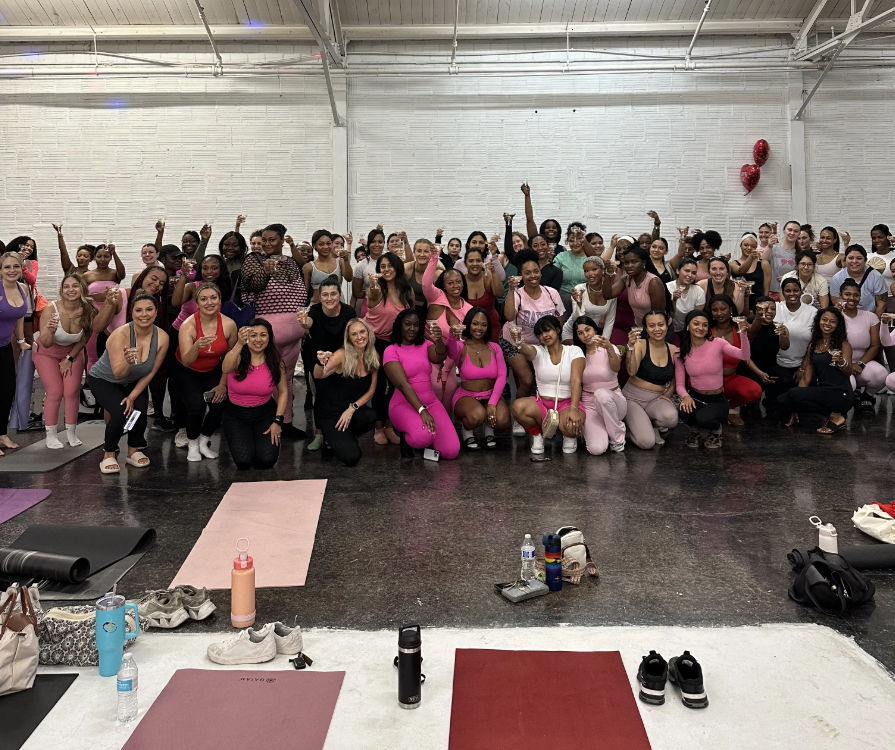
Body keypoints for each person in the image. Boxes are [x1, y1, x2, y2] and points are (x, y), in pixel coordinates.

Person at [240, 223, 309, 439]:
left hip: (293, 336)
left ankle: (284, 422)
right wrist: (266, 272)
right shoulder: (254, 260)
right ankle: (261, 424)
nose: (267, 244)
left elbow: (301, 293)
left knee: (286, 380)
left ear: (282, 241)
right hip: (264, 336)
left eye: (272, 240)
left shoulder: (290, 262)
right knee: (262, 379)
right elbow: (251, 286)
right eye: (264, 240)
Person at [87, 292, 169, 473]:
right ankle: (109, 453)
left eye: (149, 309)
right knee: (120, 414)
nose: (144, 314)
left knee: (138, 414)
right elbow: (118, 374)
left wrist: (132, 396)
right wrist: (128, 362)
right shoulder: (120, 335)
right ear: (131, 313)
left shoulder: (162, 337)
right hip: (104, 379)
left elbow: (151, 372)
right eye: (138, 310)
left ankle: (133, 450)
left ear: (156, 312)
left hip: (133, 381)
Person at [171, 283, 237, 462]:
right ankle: (192, 444)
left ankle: (203, 440)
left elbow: (229, 357)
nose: (209, 302)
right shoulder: (188, 325)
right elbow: (187, 360)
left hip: (212, 369)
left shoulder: (229, 324)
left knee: (220, 403)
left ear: (220, 300)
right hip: (186, 370)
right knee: (196, 406)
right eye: (204, 299)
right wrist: (197, 346)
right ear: (197, 303)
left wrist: (222, 384)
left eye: (213, 298)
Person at [383, 309, 460, 459]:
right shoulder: (391, 350)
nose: (412, 328)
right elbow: (403, 385)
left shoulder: (425, 344)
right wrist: (422, 410)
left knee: (451, 451)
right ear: (399, 325)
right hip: (404, 405)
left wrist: (438, 340)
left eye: (416, 325)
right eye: (407, 324)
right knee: (423, 437)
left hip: (431, 402)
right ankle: (409, 437)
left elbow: (439, 357)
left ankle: (429, 442)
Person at [33, 274, 96, 449]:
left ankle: (71, 432)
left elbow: (85, 337)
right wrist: (51, 331)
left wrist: (69, 358)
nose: (70, 290)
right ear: (61, 290)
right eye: (66, 287)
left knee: (71, 391)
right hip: (46, 353)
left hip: (72, 352)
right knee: (55, 391)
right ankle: (51, 434)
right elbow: (45, 342)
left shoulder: (89, 309)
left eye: (75, 286)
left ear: (82, 288)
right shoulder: (50, 309)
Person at [675, 309, 750, 449]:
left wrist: (743, 334)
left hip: (717, 399)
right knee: (683, 412)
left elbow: (744, 356)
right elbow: (679, 384)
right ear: (688, 326)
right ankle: (694, 430)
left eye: (705, 325)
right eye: (696, 324)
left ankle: (716, 430)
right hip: (695, 396)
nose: (700, 328)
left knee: (704, 418)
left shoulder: (718, 343)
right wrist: (685, 396)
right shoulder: (680, 352)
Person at [511, 315, 585, 455]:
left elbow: (576, 381)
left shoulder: (574, 351)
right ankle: (537, 435)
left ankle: (568, 434)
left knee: (571, 426)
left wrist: (574, 408)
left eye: (547, 330)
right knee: (518, 407)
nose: (544, 335)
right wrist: (519, 342)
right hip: (543, 405)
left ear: (557, 330)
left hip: (567, 403)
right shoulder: (538, 351)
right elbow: (527, 350)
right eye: (540, 334)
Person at [501, 250, 565, 411]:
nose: (532, 276)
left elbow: (559, 321)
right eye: (527, 273)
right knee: (527, 380)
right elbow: (509, 316)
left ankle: (538, 411)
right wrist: (510, 290)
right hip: (514, 341)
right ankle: (518, 413)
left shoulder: (551, 293)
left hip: (542, 344)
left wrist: (554, 347)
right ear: (521, 275)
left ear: (540, 273)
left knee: (541, 381)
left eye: (536, 271)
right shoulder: (517, 294)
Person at [221, 318, 289, 469]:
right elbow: (225, 368)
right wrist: (239, 344)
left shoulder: (275, 361)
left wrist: (278, 421)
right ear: (247, 337)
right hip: (236, 415)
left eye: (263, 335)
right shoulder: (237, 356)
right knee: (244, 461)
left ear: (269, 338)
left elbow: (283, 392)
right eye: (253, 335)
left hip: (264, 413)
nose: (258, 340)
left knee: (267, 460)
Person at [312, 318, 379, 466]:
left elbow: (371, 391)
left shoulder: (372, 355)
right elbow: (318, 375)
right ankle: (330, 440)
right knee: (352, 457)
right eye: (354, 334)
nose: (359, 337)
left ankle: (344, 437)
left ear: (368, 333)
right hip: (331, 413)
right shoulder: (342, 355)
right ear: (348, 338)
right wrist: (320, 362)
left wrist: (352, 408)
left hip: (350, 410)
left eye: (362, 332)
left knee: (371, 416)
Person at [777, 307, 853, 434]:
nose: (827, 324)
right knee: (783, 399)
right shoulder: (813, 345)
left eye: (832, 321)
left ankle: (837, 417)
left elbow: (849, 371)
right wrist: (796, 403)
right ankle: (835, 416)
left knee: (792, 394)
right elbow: (806, 377)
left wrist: (841, 362)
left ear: (838, 325)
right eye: (824, 320)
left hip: (841, 394)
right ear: (818, 321)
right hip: (823, 392)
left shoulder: (843, 345)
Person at [301, 275, 356, 451]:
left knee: (340, 393)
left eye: (333, 294)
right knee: (320, 394)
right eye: (325, 294)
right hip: (317, 358)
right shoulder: (314, 310)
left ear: (339, 295)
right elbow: (308, 323)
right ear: (320, 296)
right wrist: (304, 323)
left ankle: (338, 431)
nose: (329, 298)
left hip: (340, 358)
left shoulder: (348, 312)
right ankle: (319, 433)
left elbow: (352, 336)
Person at [365, 250, 414, 444]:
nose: (386, 269)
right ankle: (378, 427)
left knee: (396, 386)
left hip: (397, 343)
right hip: (376, 343)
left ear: (397, 267)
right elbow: (373, 291)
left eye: (389, 266)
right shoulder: (377, 290)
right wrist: (374, 283)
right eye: (382, 266)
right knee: (379, 387)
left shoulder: (406, 291)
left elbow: (410, 317)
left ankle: (389, 425)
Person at [445, 307, 509, 450]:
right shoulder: (461, 347)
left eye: (484, 325)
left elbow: (502, 376)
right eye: (475, 323)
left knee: (503, 419)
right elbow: (451, 350)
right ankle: (467, 430)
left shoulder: (495, 347)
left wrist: (492, 402)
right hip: (466, 396)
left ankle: (488, 429)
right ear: (468, 324)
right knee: (477, 415)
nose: (479, 328)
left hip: (490, 394)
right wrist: (452, 335)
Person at [622, 310, 679, 450]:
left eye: (661, 324)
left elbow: (674, 379)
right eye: (652, 325)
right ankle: (631, 426)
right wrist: (630, 347)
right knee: (646, 443)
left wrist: (667, 394)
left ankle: (652, 425)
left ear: (667, 326)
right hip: (633, 399)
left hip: (655, 399)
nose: (657, 329)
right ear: (646, 329)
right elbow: (631, 371)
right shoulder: (640, 344)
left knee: (671, 418)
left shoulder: (673, 349)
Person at [424, 249, 473, 408]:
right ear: (444, 286)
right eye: (450, 283)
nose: (455, 286)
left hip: (451, 358)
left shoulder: (468, 309)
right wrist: (434, 258)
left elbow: (462, 343)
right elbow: (425, 284)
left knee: (450, 387)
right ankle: (431, 417)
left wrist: (446, 368)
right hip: (429, 352)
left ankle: (444, 419)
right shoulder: (436, 297)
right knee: (436, 386)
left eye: (458, 282)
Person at [573, 315, 626, 455]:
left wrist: (609, 348)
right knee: (596, 449)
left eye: (587, 330)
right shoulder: (578, 354)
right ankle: (603, 430)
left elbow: (616, 368)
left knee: (601, 394)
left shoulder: (610, 347)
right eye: (580, 333)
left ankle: (617, 439)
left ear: (595, 329)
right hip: (590, 404)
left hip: (613, 400)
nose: (585, 335)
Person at [708, 296, 763, 426]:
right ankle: (719, 410)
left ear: (731, 310)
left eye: (723, 309)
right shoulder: (707, 331)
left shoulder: (739, 330)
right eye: (715, 310)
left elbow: (747, 351)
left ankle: (729, 408)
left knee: (755, 391)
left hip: (730, 380)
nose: (719, 313)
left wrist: (760, 373)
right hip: (708, 382)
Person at [767, 278, 817, 417]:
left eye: (795, 290)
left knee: (806, 406)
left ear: (801, 291)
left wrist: (803, 367)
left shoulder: (812, 312)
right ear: (782, 292)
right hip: (777, 363)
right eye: (788, 291)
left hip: (803, 364)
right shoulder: (776, 308)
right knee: (777, 406)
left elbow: (813, 343)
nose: (792, 294)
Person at [838, 278, 886, 410]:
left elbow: (875, 346)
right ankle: (849, 398)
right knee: (850, 385)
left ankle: (867, 396)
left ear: (860, 297)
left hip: (862, 363)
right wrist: (836, 313)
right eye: (847, 294)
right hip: (840, 364)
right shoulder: (834, 316)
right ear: (840, 295)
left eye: (856, 295)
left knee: (881, 374)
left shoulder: (870, 317)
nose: (851, 298)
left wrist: (860, 363)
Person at [0, 252, 31, 456]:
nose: (12, 270)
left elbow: (20, 317)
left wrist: (21, 341)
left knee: (7, 390)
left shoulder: (23, 289)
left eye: (16, 266)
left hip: (4, 345)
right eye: (7, 267)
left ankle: (2, 433)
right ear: (0, 270)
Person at [604, 246, 666, 327]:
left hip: (657, 328)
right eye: (626, 263)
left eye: (634, 262)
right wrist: (608, 273)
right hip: (640, 326)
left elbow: (658, 316)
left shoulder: (653, 282)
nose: (629, 265)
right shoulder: (626, 279)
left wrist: (644, 332)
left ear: (643, 263)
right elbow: (608, 295)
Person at [561, 257, 617, 343]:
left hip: (595, 334)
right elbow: (578, 319)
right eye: (586, 271)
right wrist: (579, 303)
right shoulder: (579, 289)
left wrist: (604, 343)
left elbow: (609, 322)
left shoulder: (610, 292)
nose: (590, 274)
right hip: (574, 331)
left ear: (603, 270)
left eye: (594, 269)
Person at [830, 244, 888, 317]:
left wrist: (873, 321)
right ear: (845, 259)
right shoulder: (837, 278)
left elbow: (881, 305)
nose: (854, 261)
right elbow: (837, 303)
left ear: (865, 260)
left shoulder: (876, 276)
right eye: (850, 258)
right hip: (846, 318)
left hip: (870, 317)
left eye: (859, 258)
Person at [461, 246, 504, 341]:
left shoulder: (488, 277)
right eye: (471, 261)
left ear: (483, 262)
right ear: (465, 263)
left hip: (491, 327)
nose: (475, 264)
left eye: (478, 260)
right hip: (468, 329)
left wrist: (493, 271)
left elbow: (500, 293)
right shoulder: (461, 281)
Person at [303, 229, 353, 302]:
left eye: (328, 243)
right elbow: (305, 291)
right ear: (314, 246)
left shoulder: (340, 262)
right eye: (321, 244)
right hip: (317, 306)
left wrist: (346, 260)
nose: (326, 247)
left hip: (338, 305)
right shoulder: (309, 267)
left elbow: (349, 278)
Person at [730, 232, 771, 309]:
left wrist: (765, 305)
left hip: (758, 305)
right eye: (746, 245)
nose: (749, 248)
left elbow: (766, 290)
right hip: (739, 304)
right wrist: (751, 258)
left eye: (753, 246)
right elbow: (740, 271)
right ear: (740, 245)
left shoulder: (764, 264)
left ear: (756, 247)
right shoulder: (733, 264)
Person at [667, 258, 705, 339]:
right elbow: (668, 316)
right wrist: (674, 301)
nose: (690, 275)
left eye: (693, 273)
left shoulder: (699, 291)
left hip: (689, 331)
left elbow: (696, 317)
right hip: (668, 329)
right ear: (678, 271)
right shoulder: (667, 288)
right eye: (687, 271)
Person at [405, 238, 444, 317]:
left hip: (431, 311)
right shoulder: (407, 269)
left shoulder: (437, 273)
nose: (422, 254)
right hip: (410, 309)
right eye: (419, 251)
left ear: (431, 253)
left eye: (426, 251)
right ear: (414, 253)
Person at [766, 220, 801, 295]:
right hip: (773, 292)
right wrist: (769, 246)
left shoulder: (800, 254)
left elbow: (802, 274)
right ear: (784, 230)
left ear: (799, 234)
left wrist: (788, 277)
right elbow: (762, 262)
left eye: (795, 231)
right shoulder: (773, 247)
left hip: (791, 293)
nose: (792, 233)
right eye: (790, 230)